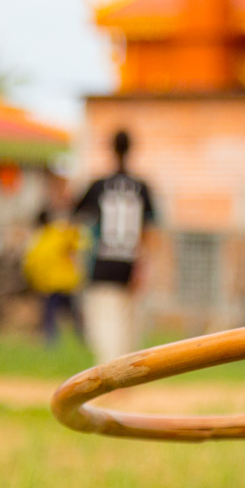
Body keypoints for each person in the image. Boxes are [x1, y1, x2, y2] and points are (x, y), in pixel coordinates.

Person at [72, 130, 156, 364]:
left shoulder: (98, 185)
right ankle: (127, 374)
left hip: (102, 262)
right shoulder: (141, 187)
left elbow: (75, 216)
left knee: (106, 323)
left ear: (110, 149)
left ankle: (112, 374)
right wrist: (143, 266)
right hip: (130, 261)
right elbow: (148, 231)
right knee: (129, 323)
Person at [23, 207, 86, 346]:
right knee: (75, 317)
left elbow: (30, 263)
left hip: (50, 286)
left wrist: (35, 281)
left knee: (50, 318)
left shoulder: (38, 240)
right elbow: (77, 243)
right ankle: (83, 341)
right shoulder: (59, 234)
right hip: (66, 283)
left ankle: (52, 343)